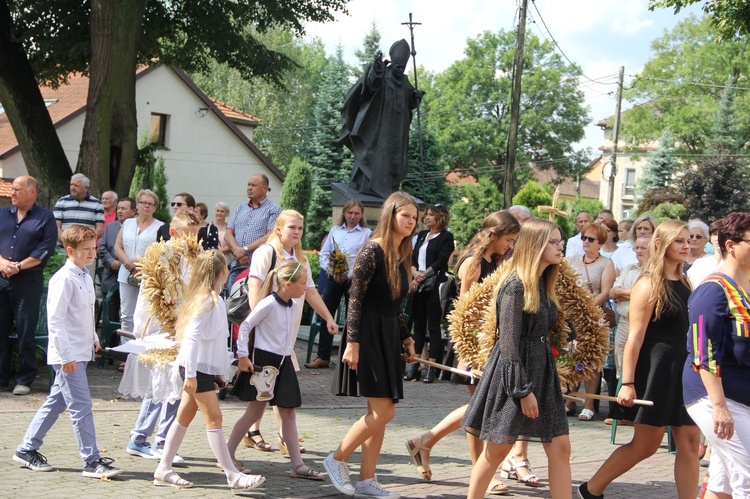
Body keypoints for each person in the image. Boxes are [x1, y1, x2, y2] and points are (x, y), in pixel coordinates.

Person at [579, 220, 700, 499]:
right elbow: (634, 336)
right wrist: (628, 382)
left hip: (683, 369)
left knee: (690, 442)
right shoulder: (647, 284)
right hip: (654, 370)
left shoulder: (685, 281)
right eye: (679, 241)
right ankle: (592, 488)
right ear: (662, 244)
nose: (686, 245)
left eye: (688, 240)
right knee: (645, 444)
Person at [405, 211, 521, 494]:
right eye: (508, 239)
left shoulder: (498, 260)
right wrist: (469, 353)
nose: (511, 245)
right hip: (475, 345)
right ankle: (479, 471)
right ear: (494, 234)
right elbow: (464, 313)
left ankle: (425, 441)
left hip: (492, 344)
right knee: (481, 410)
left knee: (480, 409)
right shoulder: (473, 263)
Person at [462, 218, 571, 499]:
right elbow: (509, 345)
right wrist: (522, 391)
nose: (561, 247)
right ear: (536, 245)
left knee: (560, 448)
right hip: (515, 375)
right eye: (554, 242)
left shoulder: (544, 283)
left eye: (561, 241)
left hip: (542, 371)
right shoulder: (515, 286)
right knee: (497, 449)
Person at [324, 192, 418, 498]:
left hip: (387, 332)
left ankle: (366, 481)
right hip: (367, 333)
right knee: (383, 411)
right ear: (391, 215)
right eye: (406, 216)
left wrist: (406, 337)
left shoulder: (402, 254)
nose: (411, 222)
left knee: (380, 411)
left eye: (415, 218)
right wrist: (351, 342)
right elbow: (355, 298)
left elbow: (395, 304)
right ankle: (337, 458)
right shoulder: (373, 250)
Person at [13, 225, 122, 479]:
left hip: (80, 351)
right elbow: (57, 321)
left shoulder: (83, 275)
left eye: (94, 248)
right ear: (70, 250)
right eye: (86, 250)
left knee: (57, 401)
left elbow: (84, 315)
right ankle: (92, 461)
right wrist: (66, 357)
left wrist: (94, 338)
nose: (92, 253)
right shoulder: (63, 278)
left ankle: (26, 449)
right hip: (69, 355)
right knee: (81, 406)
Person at [152, 249, 265, 490]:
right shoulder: (207, 300)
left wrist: (217, 373)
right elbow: (192, 340)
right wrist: (192, 375)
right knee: (214, 418)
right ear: (224, 272)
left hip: (199, 369)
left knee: (184, 416)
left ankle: (163, 468)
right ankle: (232, 475)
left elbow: (211, 342)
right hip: (195, 370)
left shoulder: (212, 299)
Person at [228, 210, 337, 455]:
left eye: (300, 228)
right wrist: (257, 319)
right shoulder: (267, 252)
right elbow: (255, 283)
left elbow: (311, 292)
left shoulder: (301, 260)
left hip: (286, 332)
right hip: (267, 334)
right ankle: (276, 437)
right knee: (271, 388)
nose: (297, 232)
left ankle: (265, 435)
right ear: (279, 229)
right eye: (291, 227)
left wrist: (328, 317)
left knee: (273, 388)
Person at [234, 261, 325, 480]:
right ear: (287, 284)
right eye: (302, 283)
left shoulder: (293, 305)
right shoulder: (268, 304)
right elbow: (246, 325)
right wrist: (243, 355)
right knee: (254, 412)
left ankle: (297, 465)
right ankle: (227, 455)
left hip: (283, 362)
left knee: (288, 411)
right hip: (265, 363)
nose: (306, 288)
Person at [125, 211, 201, 465]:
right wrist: (153, 328)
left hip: (183, 328)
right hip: (161, 328)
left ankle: (163, 439)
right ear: (173, 232)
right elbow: (150, 298)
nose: (192, 240)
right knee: (160, 385)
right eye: (187, 235)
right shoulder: (159, 258)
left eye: (195, 235)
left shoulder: (192, 260)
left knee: (176, 385)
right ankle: (139, 437)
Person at [683, 212, 750, 499]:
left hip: (740, 397)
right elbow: (703, 353)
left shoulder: (743, 289)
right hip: (715, 398)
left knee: (722, 483)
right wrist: (719, 407)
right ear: (732, 245)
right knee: (746, 477)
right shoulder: (712, 291)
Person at [340, 41, 423, 199]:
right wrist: (377, 68)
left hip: (397, 132)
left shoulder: (404, 82)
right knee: (370, 156)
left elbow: (409, 103)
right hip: (377, 127)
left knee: (393, 161)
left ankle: (389, 189)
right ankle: (363, 185)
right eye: (397, 66)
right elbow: (372, 84)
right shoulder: (383, 74)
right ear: (392, 62)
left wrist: (415, 98)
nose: (399, 70)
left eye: (402, 68)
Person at [0, 176, 58, 395]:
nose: (12, 193)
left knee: (26, 331)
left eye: (17, 190)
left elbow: (45, 250)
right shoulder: (2, 215)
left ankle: (24, 379)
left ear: (32, 192)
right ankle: (1, 377)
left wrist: (18, 266)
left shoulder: (45, 218)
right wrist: (4, 264)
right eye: (12, 189)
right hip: (1, 278)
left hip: (28, 281)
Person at [306, 199, 372, 369]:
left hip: (353, 279)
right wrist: (332, 270)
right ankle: (323, 356)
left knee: (353, 317)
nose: (353, 216)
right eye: (350, 213)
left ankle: (348, 355)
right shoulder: (335, 230)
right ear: (344, 213)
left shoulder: (366, 233)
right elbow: (325, 253)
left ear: (361, 215)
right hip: (333, 278)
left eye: (357, 213)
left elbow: (364, 258)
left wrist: (349, 274)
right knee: (325, 314)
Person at [567, 222, 615, 421]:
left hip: (594, 318)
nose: (586, 242)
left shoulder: (606, 263)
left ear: (600, 243)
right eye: (583, 238)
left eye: (591, 239)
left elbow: (605, 292)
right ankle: (569, 401)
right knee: (570, 358)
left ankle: (589, 404)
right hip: (571, 318)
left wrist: (585, 309)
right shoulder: (571, 261)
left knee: (591, 361)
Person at [407, 204, 455, 383]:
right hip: (418, 285)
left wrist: (421, 276)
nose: (426, 218)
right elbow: (412, 259)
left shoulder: (446, 237)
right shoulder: (420, 236)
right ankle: (416, 364)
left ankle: (431, 367)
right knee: (418, 326)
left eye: (431, 215)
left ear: (440, 218)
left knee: (433, 326)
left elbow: (441, 261)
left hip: (434, 286)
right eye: (426, 215)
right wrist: (414, 276)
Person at [114, 190, 164, 348]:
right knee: (126, 313)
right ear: (137, 204)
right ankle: (125, 351)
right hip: (125, 271)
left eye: (151, 204)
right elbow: (117, 246)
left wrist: (138, 261)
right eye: (143, 203)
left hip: (147, 274)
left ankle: (141, 349)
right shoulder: (128, 223)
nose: (146, 206)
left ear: (155, 207)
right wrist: (127, 261)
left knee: (144, 313)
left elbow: (160, 252)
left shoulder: (160, 227)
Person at [224, 174, 282, 285]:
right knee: (233, 301)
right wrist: (237, 251)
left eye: (253, 185)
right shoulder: (241, 207)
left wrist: (245, 250)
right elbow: (228, 233)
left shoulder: (273, 209)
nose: (249, 188)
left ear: (265, 189)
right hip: (237, 266)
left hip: (258, 268)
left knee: (255, 301)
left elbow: (270, 235)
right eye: (248, 184)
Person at [608, 234, 651, 381]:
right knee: (620, 362)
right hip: (624, 321)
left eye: (643, 248)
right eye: (637, 247)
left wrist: (623, 293)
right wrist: (631, 293)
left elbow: (649, 295)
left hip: (645, 324)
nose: (639, 251)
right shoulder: (629, 269)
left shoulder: (656, 271)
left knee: (640, 363)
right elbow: (613, 292)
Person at [98, 197, 136, 297]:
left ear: (133, 211)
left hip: (132, 276)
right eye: (118, 208)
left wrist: (121, 263)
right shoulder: (111, 226)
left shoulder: (139, 229)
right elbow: (102, 247)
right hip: (110, 277)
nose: (120, 211)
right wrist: (111, 262)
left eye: (123, 209)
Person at [53, 173, 104, 240]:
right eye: (71, 185)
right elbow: (56, 227)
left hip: (86, 247)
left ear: (86, 188)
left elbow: (100, 230)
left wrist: (84, 242)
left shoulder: (97, 204)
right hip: (64, 247)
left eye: (76, 185)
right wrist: (66, 242)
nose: (72, 188)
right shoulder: (61, 202)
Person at [687, 219, 724, 288]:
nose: (694, 239)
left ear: (706, 240)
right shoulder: (699, 263)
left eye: (698, 237)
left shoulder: (733, 264)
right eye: (714, 234)